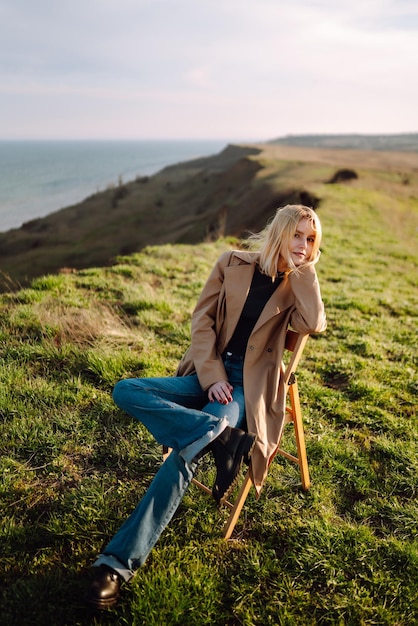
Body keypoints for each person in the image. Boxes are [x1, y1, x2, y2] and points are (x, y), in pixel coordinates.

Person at [84, 204, 327, 609]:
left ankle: (116, 564)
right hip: (205, 373)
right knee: (127, 389)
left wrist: (304, 269)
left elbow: (315, 322)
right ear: (280, 232)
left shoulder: (297, 285)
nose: (303, 245)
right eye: (297, 235)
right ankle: (215, 435)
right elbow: (202, 323)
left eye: (311, 239)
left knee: (184, 453)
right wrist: (211, 376)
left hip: (242, 389)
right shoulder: (231, 263)